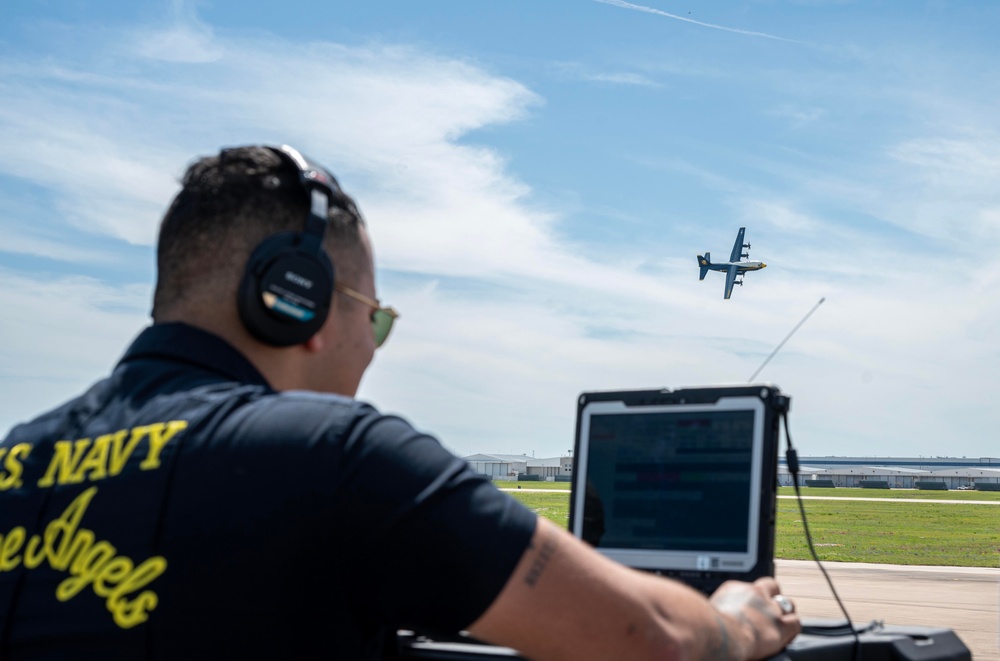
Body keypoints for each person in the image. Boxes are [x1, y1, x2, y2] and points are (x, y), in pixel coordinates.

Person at [0, 145, 800, 660]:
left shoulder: (17, 459)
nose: (376, 343)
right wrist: (738, 621)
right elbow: (645, 635)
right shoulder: (335, 457)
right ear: (297, 301)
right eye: (374, 313)